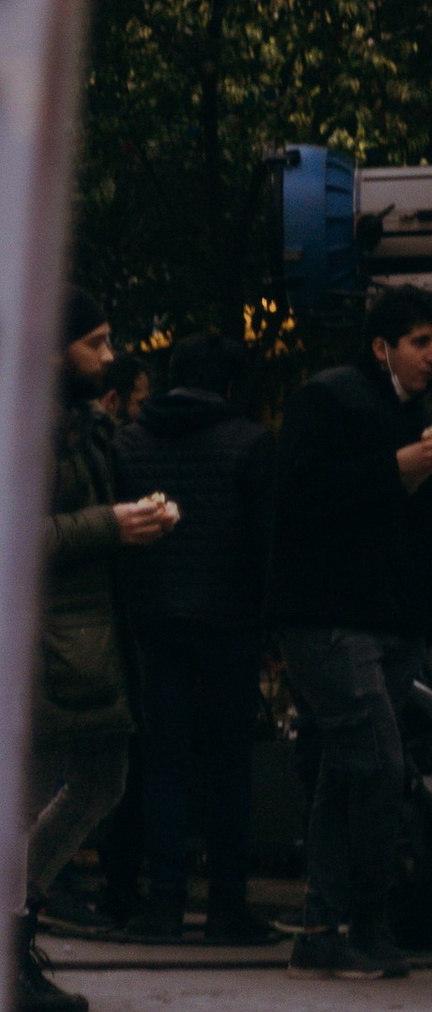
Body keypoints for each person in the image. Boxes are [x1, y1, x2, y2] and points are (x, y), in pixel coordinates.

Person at [270, 284, 432, 980]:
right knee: (381, 764)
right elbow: (295, 499)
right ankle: (369, 921)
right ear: (383, 345)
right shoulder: (327, 398)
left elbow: (417, 529)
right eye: (421, 342)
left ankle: (323, 927)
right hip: (329, 618)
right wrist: (395, 470)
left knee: (345, 771)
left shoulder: (418, 412)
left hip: (392, 620)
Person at [17, 294, 176, 1012]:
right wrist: (108, 525)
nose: (111, 356)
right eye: (97, 342)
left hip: (89, 637)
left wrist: (139, 518)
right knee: (35, 796)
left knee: (102, 780)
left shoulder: (83, 426)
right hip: (42, 639)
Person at [112, 335, 277, 944]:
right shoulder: (252, 443)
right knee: (230, 764)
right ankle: (227, 905)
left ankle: (163, 903)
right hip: (229, 622)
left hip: (151, 619)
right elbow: (265, 545)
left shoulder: (128, 441)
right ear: (231, 387)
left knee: (162, 762)